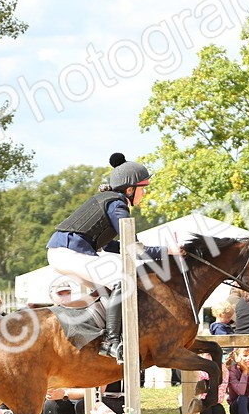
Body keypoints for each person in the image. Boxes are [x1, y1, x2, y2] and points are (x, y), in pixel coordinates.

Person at [46, 152, 173, 362]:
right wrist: (166, 251)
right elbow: (132, 247)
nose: (145, 194)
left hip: (64, 251)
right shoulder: (118, 204)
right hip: (68, 252)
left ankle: (96, 331)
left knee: (110, 283)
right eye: (143, 189)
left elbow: (112, 245)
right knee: (123, 277)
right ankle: (111, 342)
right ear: (130, 189)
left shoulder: (108, 201)